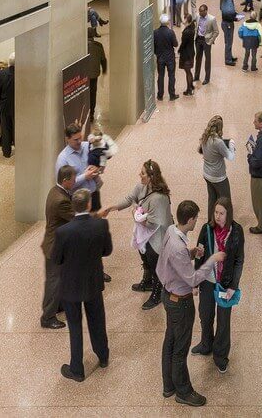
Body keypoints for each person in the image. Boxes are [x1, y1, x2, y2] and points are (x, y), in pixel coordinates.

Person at [157, 199, 226, 408]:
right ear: (189, 220)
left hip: (168, 294)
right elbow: (193, 279)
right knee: (180, 348)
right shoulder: (179, 247)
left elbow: (175, 258)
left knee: (170, 340)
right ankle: (184, 392)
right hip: (180, 303)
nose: (197, 221)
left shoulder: (172, 230)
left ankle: (168, 385)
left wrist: (192, 252)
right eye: (195, 218)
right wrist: (212, 260)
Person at [51, 188, 112, 381]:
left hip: (71, 286)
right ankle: (103, 356)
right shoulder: (100, 225)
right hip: (93, 282)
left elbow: (56, 259)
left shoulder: (63, 232)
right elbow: (107, 251)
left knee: (75, 326)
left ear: (73, 206)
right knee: (97, 321)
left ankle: (77, 369)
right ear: (89, 204)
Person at [102, 159, 173, 310]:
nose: (139, 175)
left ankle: (157, 292)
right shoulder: (141, 187)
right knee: (143, 253)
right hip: (146, 232)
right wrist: (111, 208)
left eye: (142, 173)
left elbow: (152, 223)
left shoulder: (159, 198)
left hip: (158, 234)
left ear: (151, 177)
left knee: (154, 259)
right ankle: (148, 281)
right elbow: (130, 199)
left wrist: (135, 214)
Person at [192, 196, 245, 373]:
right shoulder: (207, 229)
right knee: (205, 314)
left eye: (221, 213)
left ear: (228, 214)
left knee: (223, 321)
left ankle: (221, 356)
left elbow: (239, 260)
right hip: (207, 281)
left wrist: (233, 286)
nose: (218, 216)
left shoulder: (236, 231)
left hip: (225, 283)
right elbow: (199, 255)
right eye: (215, 212)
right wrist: (195, 281)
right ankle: (206, 344)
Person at [40, 164, 76, 329]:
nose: (75, 182)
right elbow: (76, 218)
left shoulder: (54, 191)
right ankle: (48, 317)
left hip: (53, 243)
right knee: (54, 282)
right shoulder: (61, 200)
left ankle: (58, 305)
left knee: (58, 278)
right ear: (65, 180)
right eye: (73, 180)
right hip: (55, 247)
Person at [56, 123, 101, 211]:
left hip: (94, 193)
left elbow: (101, 161)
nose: (79, 141)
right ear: (67, 139)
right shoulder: (62, 158)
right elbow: (63, 184)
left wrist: (97, 168)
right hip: (78, 201)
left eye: (80, 137)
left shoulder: (88, 146)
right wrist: (85, 176)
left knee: (96, 216)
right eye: (76, 139)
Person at [199, 115, 236, 222]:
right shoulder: (218, 142)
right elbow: (230, 157)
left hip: (207, 174)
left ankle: (211, 221)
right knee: (225, 200)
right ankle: (228, 222)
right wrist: (232, 145)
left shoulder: (205, 137)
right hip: (218, 177)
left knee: (212, 199)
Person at [154, 13, 179, 102]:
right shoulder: (170, 32)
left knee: (160, 76)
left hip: (160, 58)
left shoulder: (155, 32)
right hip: (170, 58)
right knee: (171, 76)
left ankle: (160, 95)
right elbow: (175, 44)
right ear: (167, 22)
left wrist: (157, 53)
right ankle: (172, 95)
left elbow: (153, 45)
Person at [193, 3, 219, 85]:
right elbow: (195, 25)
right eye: (199, 11)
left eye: (202, 11)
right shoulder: (197, 16)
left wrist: (211, 41)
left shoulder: (212, 19)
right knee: (198, 58)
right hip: (198, 40)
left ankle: (207, 79)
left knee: (207, 60)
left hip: (206, 41)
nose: (200, 13)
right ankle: (196, 76)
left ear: (206, 11)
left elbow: (216, 31)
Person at [0, 52, 15, 157]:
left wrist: (1, 100)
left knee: (5, 128)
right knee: (17, 127)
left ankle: (6, 152)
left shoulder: (1, 74)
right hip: (18, 104)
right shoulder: (22, 72)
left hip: (4, 104)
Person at [86, 26, 107, 122]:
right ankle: (91, 113)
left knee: (85, 93)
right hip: (94, 74)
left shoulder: (83, 46)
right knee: (93, 93)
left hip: (84, 75)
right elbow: (103, 60)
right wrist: (104, 70)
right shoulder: (99, 45)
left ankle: (85, 113)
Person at [219, 0, 239, 66]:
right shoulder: (228, 2)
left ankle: (230, 56)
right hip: (228, 24)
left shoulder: (227, 0)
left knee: (229, 42)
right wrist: (235, 18)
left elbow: (231, 12)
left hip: (227, 23)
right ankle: (228, 60)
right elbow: (226, 14)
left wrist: (235, 14)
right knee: (228, 42)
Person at [179, 14, 196, 96]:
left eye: (184, 19)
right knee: (189, 71)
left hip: (186, 54)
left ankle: (189, 90)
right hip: (191, 52)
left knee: (187, 71)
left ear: (186, 20)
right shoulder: (192, 28)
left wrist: (179, 50)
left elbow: (183, 44)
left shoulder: (186, 32)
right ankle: (191, 86)